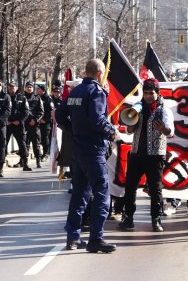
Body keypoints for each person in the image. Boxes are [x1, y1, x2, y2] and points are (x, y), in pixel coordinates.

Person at [55, 59, 118, 253]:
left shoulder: (75, 92)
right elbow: (97, 119)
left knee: (79, 194)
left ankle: (73, 237)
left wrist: (73, 129)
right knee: (101, 193)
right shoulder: (96, 92)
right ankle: (96, 239)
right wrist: (112, 132)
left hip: (78, 149)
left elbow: (59, 115)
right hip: (94, 149)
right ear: (100, 74)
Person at [119, 78, 175, 233]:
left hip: (155, 156)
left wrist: (164, 129)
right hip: (137, 154)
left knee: (156, 190)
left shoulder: (164, 111)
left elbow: (171, 132)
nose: (149, 96)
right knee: (130, 188)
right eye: (146, 93)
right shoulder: (137, 108)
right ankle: (128, 218)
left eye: (151, 93)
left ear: (157, 93)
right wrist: (131, 124)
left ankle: (156, 220)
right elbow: (128, 131)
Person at [6, 81, 31, 172]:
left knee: (22, 144)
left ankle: (25, 163)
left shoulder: (22, 98)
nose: (11, 89)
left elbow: (26, 112)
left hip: (18, 125)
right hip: (7, 124)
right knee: (3, 144)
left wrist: (19, 121)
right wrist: (6, 121)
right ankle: (0, 165)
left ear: (16, 88)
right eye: (10, 87)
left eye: (13, 87)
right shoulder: (5, 97)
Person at [23, 82, 44, 169]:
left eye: (31, 87)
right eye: (28, 87)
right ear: (25, 88)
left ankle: (38, 161)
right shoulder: (21, 97)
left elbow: (41, 111)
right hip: (24, 125)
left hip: (34, 125)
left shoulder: (37, 98)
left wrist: (35, 120)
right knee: (25, 145)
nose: (29, 88)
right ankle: (25, 163)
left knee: (36, 144)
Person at [36, 84, 55, 163]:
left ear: (43, 90)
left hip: (45, 122)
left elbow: (51, 111)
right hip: (37, 121)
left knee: (45, 138)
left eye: (38, 89)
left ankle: (46, 153)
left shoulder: (48, 99)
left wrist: (45, 119)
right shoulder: (36, 98)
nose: (37, 90)